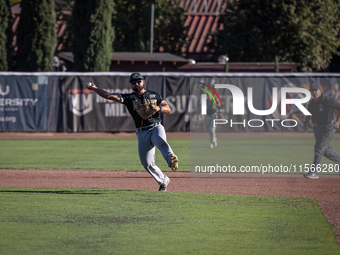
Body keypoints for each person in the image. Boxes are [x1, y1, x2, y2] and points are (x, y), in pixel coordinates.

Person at [86, 72, 178, 191]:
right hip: (141, 132)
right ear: (131, 85)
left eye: (138, 81)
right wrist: (95, 88)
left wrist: (158, 108)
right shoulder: (129, 98)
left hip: (155, 127)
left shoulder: (154, 95)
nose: (136, 84)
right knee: (147, 163)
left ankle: (171, 159)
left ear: (143, 82)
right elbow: (109, 96)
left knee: (161, 141)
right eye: (133, 83)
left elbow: (168, 109)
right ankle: (163, 180)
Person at [303, 83, 340, 179]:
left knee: (319, 149)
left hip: (328, 127)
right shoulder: (311, 103)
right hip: (317, 128)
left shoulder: (327, 100)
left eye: (316, 90)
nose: (314, 92)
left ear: (320, 90)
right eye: (312, 91)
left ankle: (313, 172)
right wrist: (306, 122)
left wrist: (338, 121)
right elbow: (309, 114)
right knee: (327, 150)